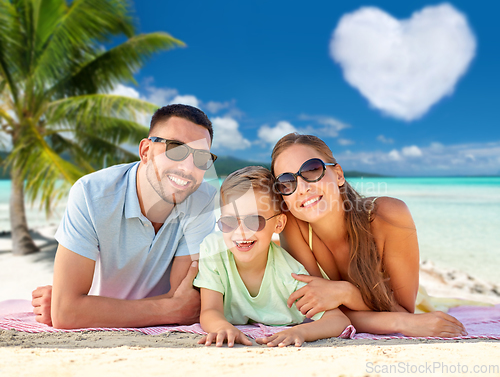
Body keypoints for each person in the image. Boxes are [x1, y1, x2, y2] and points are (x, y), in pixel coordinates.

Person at [31, 104, 218, 329]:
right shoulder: (92, 194)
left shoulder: (203, 198)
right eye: (176, 148)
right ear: (145, 151)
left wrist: (85, 308)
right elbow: (67, 314)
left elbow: (187, 301)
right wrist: (169, 310)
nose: (188, 167)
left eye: (201, 158)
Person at [271, 133, 467, 337]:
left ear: (338, 174)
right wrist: (399, 322)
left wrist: (346, 293)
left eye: (312, 170)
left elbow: (403, 311)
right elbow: (323, 313)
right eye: (286, 182)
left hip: (401, 303)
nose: (302, 189)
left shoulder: (388, 215)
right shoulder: (293, 225)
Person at [193, 166, 351, 347]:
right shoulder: (214, 249)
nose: (241, 232)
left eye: (254, 221)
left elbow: (339, 320)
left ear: (278, 224)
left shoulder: (290, 272)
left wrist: (301, 331)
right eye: (228, 222)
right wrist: (222, 327)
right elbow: (209, 310)